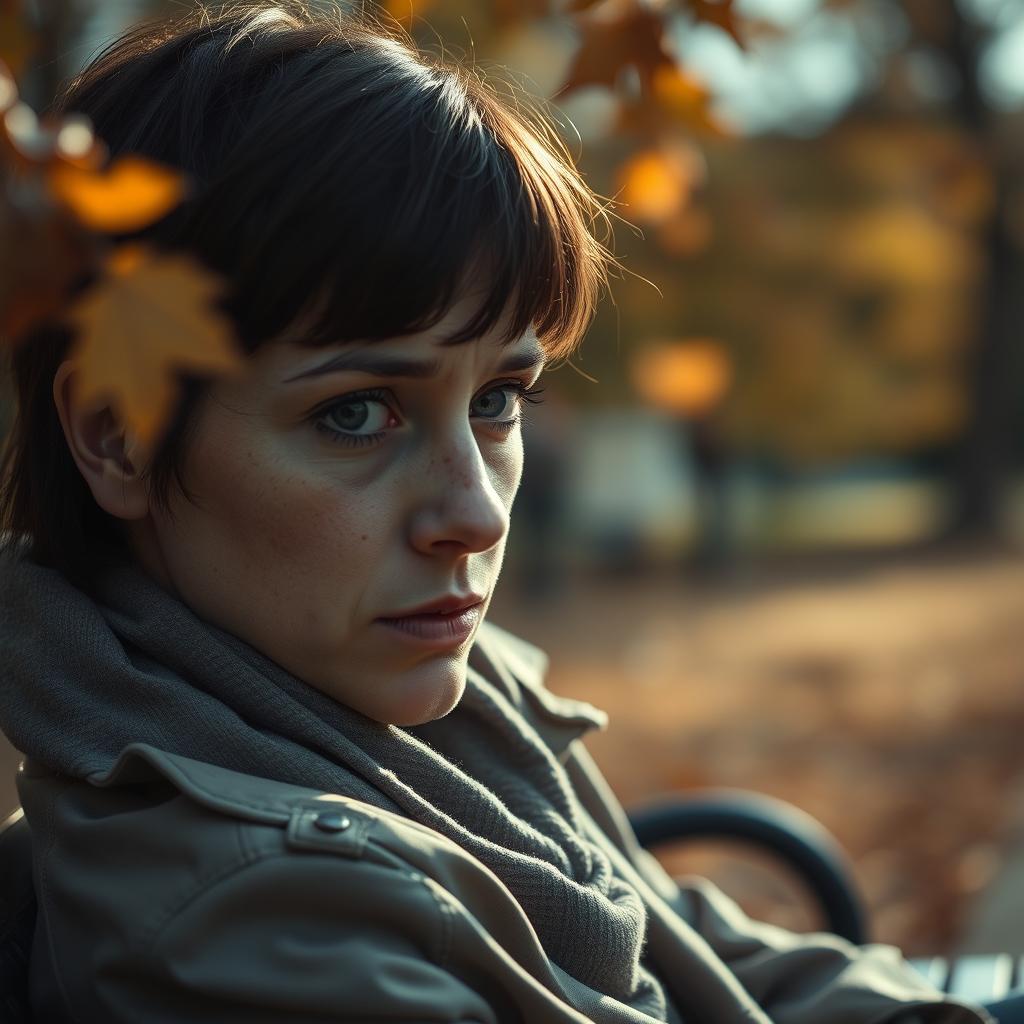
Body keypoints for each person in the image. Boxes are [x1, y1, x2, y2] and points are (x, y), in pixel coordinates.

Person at [0, 4, 1009, 1022]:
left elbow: (701, 956)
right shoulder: (251, 929)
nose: (476, 513)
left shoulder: (420, 710)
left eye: (497, 400)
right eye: (355, 413)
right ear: (117, 435)